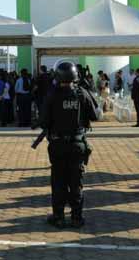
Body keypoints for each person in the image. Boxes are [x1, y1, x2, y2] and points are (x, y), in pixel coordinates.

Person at [40, 61, 101, 228]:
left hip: (58, 144)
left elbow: (43, 121)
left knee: (58, 182)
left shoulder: (52, 95)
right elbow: (96, 116)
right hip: (77, 144)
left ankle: (58, 217)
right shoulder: (82, 93)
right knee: (76, 182)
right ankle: (76, 217)